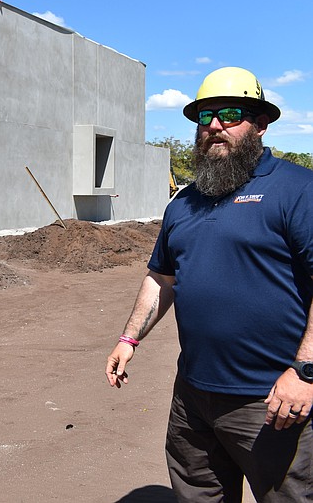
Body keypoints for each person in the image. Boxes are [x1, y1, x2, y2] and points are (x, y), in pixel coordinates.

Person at [105, 66, 313, 502]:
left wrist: (305, 373)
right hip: (193, 399)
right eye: (205, 117)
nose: (215, 126)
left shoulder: (298, 190)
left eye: (230, 114)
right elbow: (162, 277)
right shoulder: (185, 202)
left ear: (260, 123)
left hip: (273, 402)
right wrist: (129, 338)